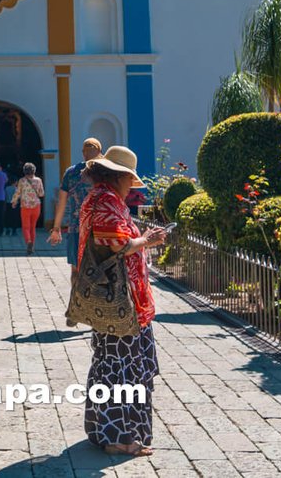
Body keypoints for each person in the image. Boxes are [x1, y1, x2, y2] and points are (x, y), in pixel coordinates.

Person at [77, 146, 166, 457]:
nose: (132, 186)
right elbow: (115, 243)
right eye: (130, 179)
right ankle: (121, 438)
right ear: (119, 177)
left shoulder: (105, 199)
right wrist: (148, 240)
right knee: (123, 368)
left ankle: (108, 431)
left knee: (114, 365)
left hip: (122, 299)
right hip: (119, 303)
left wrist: (143, 238)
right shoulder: (104, 202)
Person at [49, 138, 103, 266]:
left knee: (76, 269)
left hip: (76, 229)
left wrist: (56, 229)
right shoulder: (106, 172)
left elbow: (61, 202)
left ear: (83, 153)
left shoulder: (71, 173)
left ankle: (76, 287)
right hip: (101, 228)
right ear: (100, 152)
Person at [10, 162, 46, 254]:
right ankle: (32, 246)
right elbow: (42, 193)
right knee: (33, 227)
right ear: (34, 170)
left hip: (25, 206)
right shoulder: (38, 180)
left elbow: (17, 192)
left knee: (26, 227)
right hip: (36, 206)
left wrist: (14, 201)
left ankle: (28, 242)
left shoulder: (22, 181)